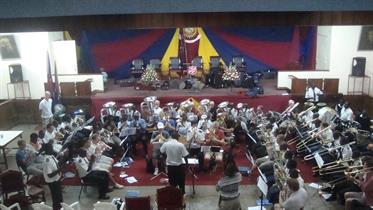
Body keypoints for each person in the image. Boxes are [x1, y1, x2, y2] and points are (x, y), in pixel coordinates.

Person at [42, 142, 63, 210]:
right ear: (47, 150)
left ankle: (61, 207)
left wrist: (63, 160)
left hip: (56, 179)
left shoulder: (52, 156)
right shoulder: (47, 161)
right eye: (51, 148)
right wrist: (59, 170)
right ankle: (57, 208)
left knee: (59, 197)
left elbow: (57, 163)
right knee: (56, 198)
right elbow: (50, 175)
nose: (53, 149)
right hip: (53, 182)